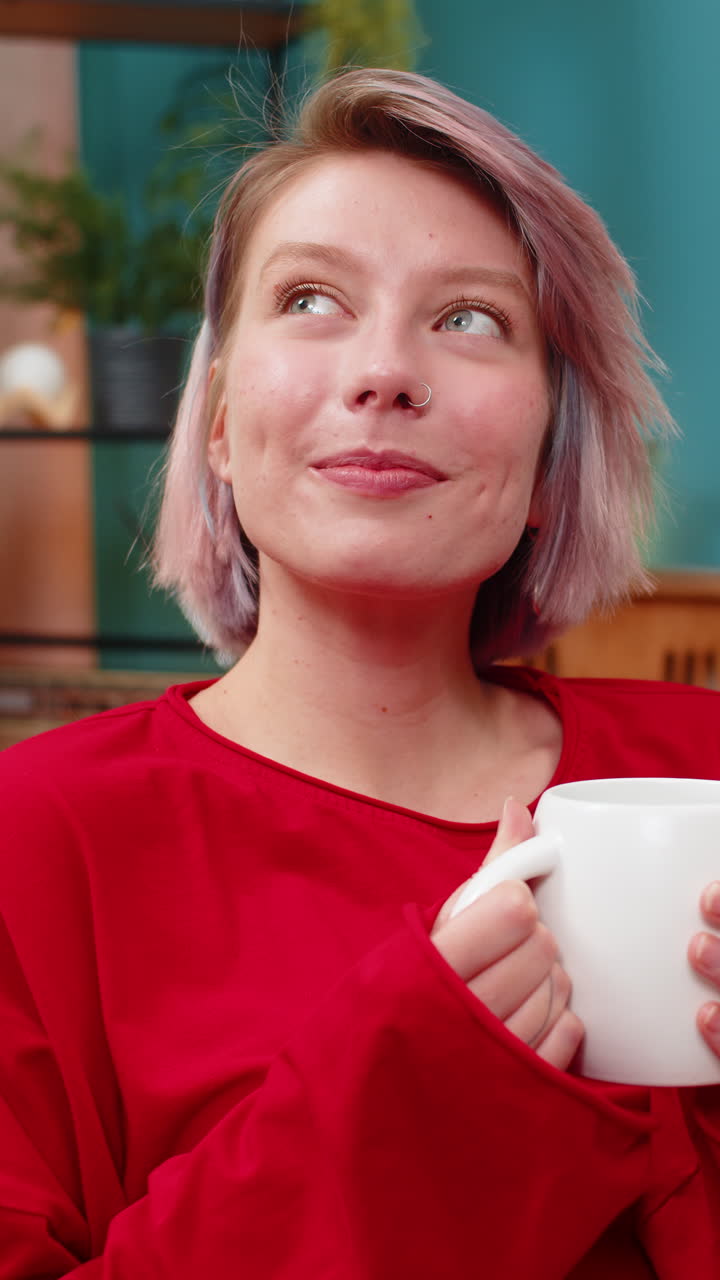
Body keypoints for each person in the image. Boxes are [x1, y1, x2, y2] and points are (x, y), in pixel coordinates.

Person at [1, 66, 719, 1278]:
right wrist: (421, 1084)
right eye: (312, 298)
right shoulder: (37, 840)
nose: (385, 371)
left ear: (552, 459)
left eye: (470, 319)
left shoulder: (700, 765)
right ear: (221, 422)